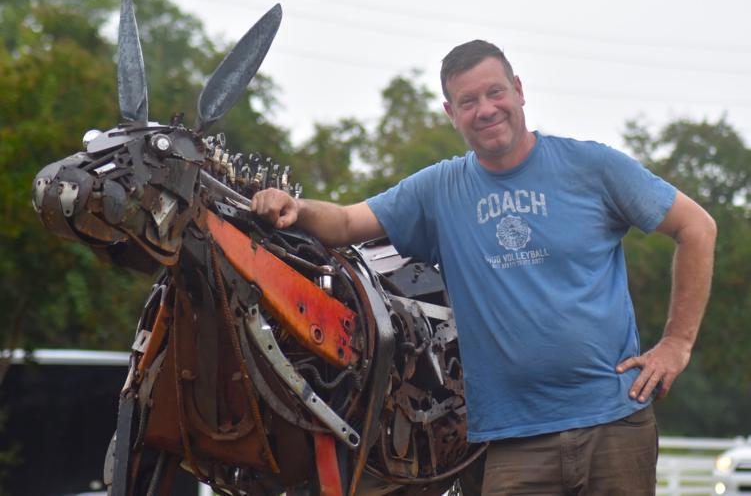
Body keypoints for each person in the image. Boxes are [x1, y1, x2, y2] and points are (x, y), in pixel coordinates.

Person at [251, 40, 717, 495]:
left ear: (518, 89)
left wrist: (676, 343)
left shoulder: (591, 167)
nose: (487, 108)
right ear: (452, 115)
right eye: (468, 101)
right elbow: (349, 221)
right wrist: (296, 206)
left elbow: (697, 227)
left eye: (495, 92)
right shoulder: (439, 190)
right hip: (513, 439)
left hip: (614, 422)